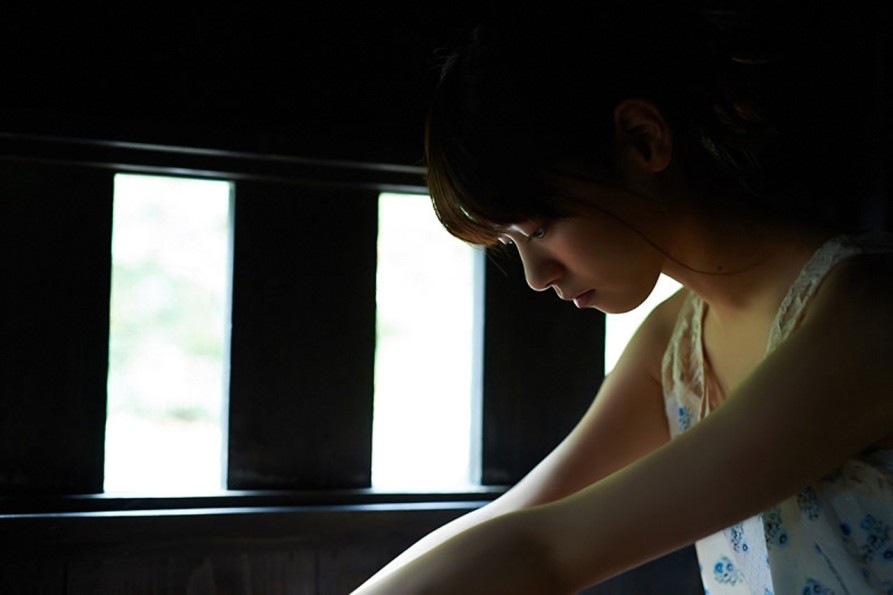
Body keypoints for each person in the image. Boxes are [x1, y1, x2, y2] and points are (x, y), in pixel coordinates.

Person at [354, 1, 893, 593]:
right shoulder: (674, 340)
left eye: (540, 227)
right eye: (513, 242)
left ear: (642, 141)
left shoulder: (864, 311)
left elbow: (548, 550)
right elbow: (518, 512)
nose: (536, 276)